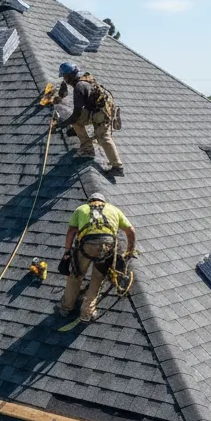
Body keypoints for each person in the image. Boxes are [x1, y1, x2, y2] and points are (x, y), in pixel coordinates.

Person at [59, 191, 136, 322]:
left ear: (90, 201)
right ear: (103, 202)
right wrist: (129, 251)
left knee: (76, 275)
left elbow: (71, 231)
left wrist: (67, 252)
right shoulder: (114, 209)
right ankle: (86, 313)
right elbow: (131, 230)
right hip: (107, 246)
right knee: (97, 278)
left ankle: (66, 307)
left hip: (86, 246)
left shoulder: (81, 209)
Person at [51, 63, 124, 174]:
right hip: (95, 109)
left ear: (70, 76)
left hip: (102, 112)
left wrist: (60, 125)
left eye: (65, 77)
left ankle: (117, 167)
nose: (65, 80)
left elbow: (76, 114)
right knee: (77, 123)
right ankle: (87, 148)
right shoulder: (84, 79)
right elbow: (78, 115)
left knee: (103, 137)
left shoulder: (79, 87)